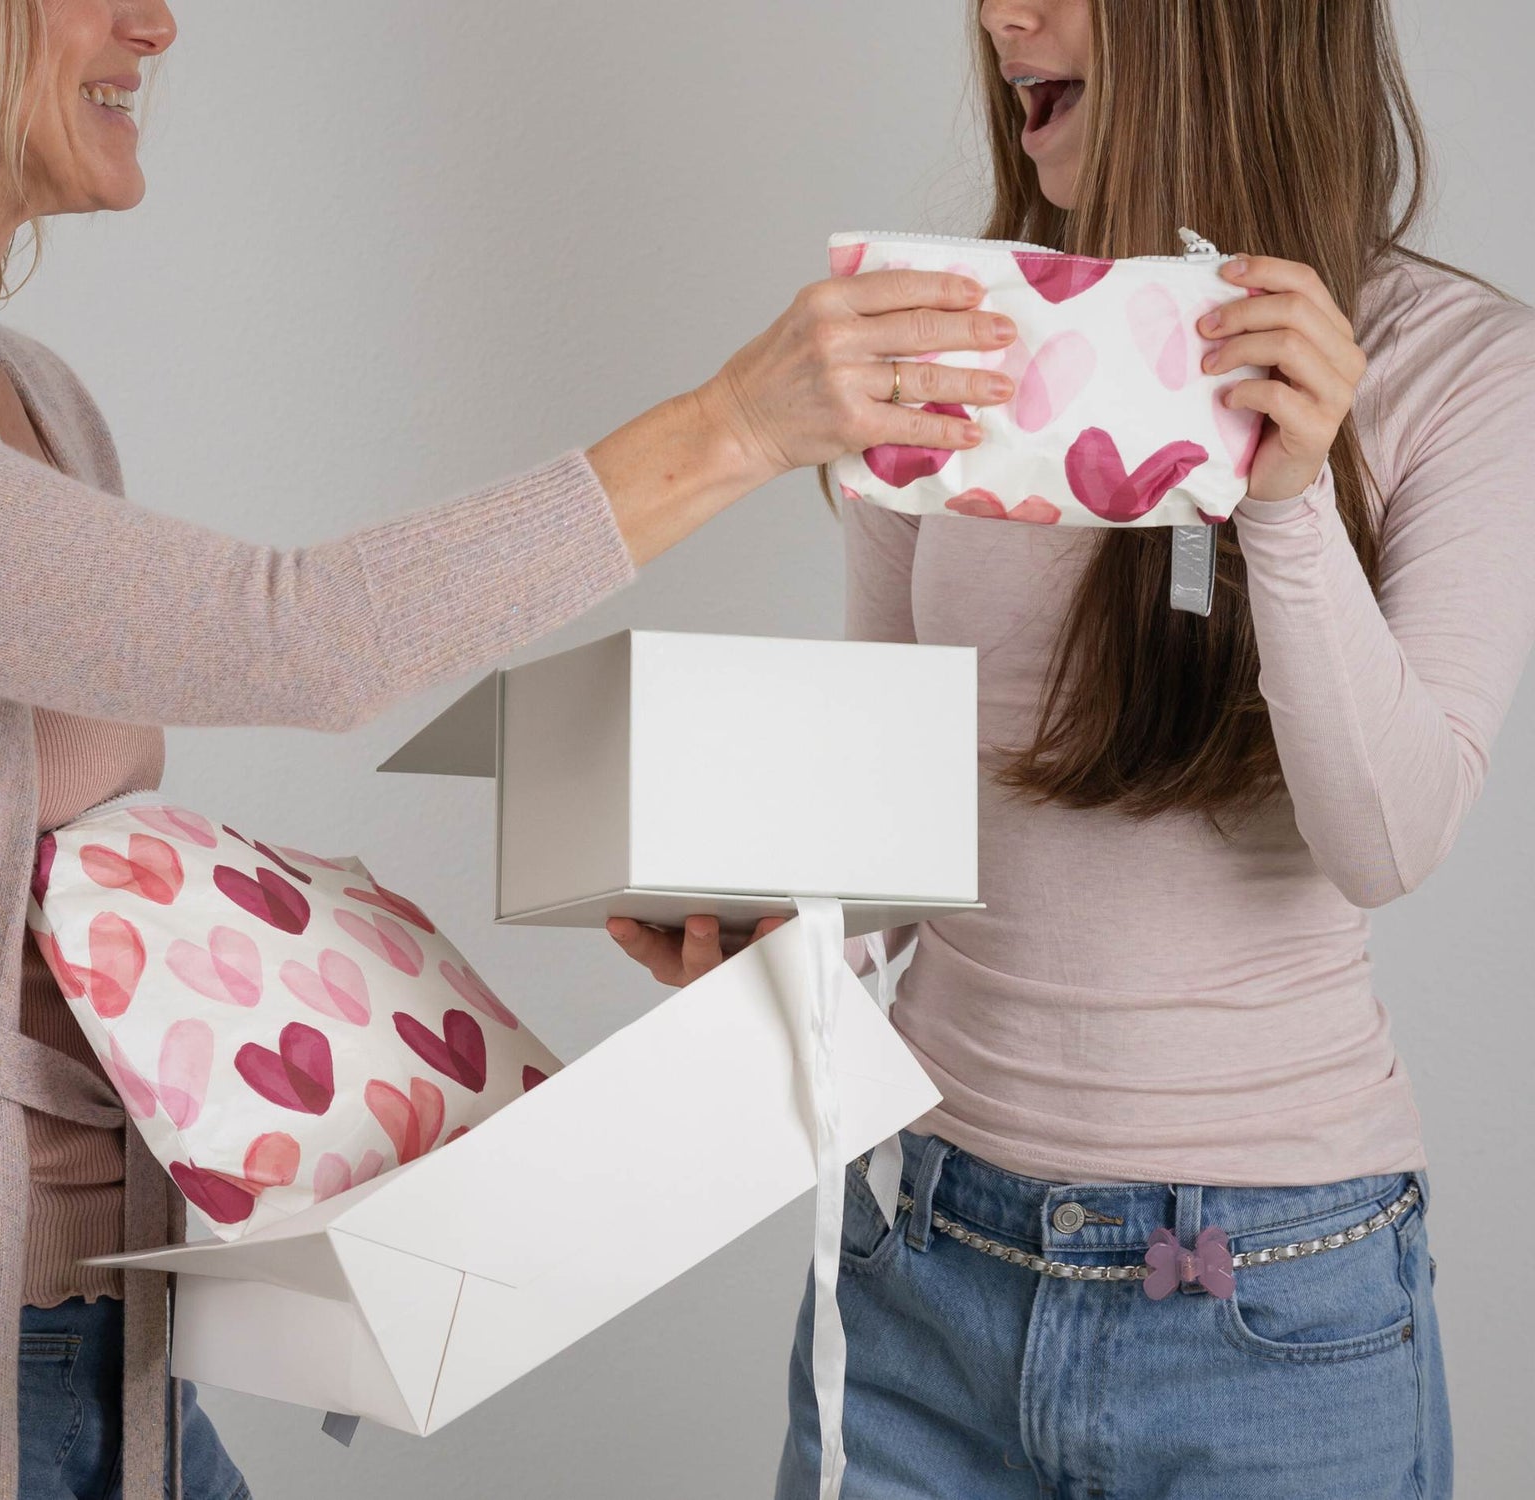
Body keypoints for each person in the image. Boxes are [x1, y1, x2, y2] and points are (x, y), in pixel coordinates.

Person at [0, 1, 1026, 1497]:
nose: (157, 20)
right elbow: (296, 640)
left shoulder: (39, 400)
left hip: (95, 1334)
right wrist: (731, 425)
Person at [610, 2, 1535, 1496]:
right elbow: (896, 830)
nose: (997, 16)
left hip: (1264, 1310)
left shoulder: (1457, 366)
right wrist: (780, 937)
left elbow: (1392, 836)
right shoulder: (954, 338)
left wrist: (1288, 502)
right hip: (920, 1264)